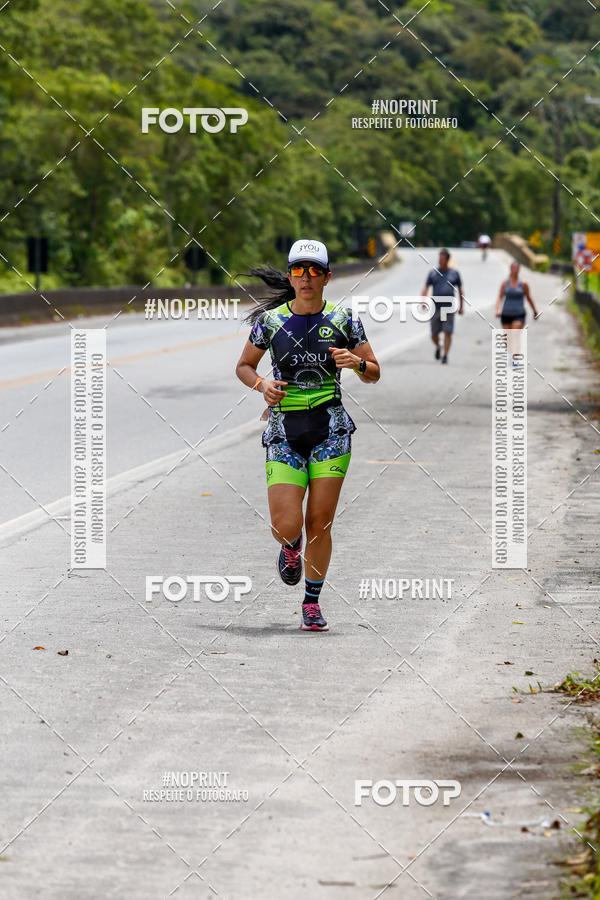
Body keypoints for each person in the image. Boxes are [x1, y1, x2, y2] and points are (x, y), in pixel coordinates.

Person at [235, 239, 380, 632]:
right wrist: (262, 384)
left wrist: (358, 362)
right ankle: (290, 548)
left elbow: (374, 371)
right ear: (290, 276)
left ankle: (312, 602)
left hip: (330, 429)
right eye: (299, 270)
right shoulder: (270, 323)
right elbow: (244, 367)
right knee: (285, 525)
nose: (306, 278)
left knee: (320, 521)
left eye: (314, 271)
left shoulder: (345, 319)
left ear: (327, 277)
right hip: (284, 429)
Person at [421, 248, 464, 365]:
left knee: (447, 332)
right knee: (434, 334)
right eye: (439, 258)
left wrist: (461, 306)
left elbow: (460, 290)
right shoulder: (433, 273)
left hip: (449, 307)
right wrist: (423, 301)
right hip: (436, 307)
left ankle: (445, 355)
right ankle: (438, 346)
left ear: (447, 260)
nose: (440, 261)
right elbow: (425, 287)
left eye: (442, 259)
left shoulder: (454, 274)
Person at [495, 261, 539, 362]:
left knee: (515, 334)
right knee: (507, 338)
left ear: (519, 270)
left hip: (519, 314)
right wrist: (498, 310)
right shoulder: (505, 283)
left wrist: (535, 311)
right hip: (506, 314)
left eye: (517, 268)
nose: (515, 270)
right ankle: (511, 354)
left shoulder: (523, 284)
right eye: (513, 268)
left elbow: (529, 298)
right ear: (510, 269)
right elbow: (499, 297)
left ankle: (515, 358)